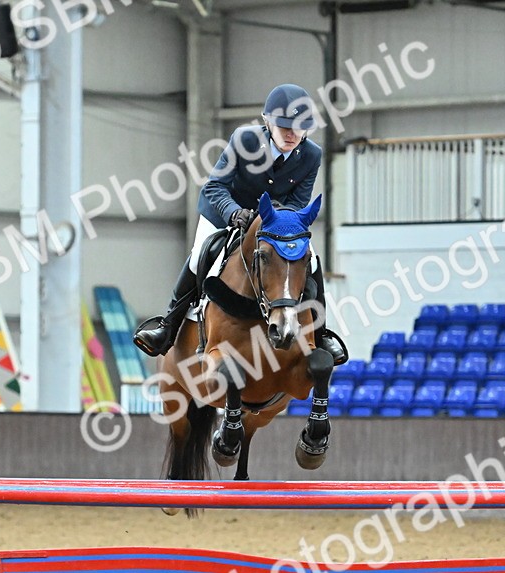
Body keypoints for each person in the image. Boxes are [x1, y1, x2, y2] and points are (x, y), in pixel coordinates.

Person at [133, 83, 347, 365]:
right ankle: (168, 326)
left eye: (299, 127)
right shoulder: (244, 140)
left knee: (313, 260)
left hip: (273, 223)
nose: (292, 134)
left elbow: (297, 203)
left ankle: (321, 335)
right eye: (284, 127)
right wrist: (234, 213)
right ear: (267, 121)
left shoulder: (311, 155)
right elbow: (215, 187)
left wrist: (271, 222)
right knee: (200, 255)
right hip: (224, 212)